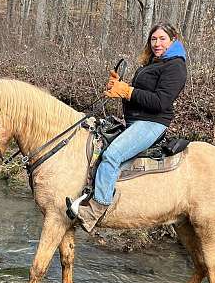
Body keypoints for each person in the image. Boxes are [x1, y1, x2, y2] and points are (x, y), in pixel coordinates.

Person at [67, 22, 187, 231]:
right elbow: (141, 93)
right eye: (153, 39)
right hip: (135, 121)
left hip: (152, 123)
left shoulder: (175, 66)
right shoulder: (155, 62)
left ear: (173, 39)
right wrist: (118, 87)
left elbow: (160, 102)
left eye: (162, 39)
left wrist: (127, 91)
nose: (157, 43)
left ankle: (97, 209)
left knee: (112, 156)